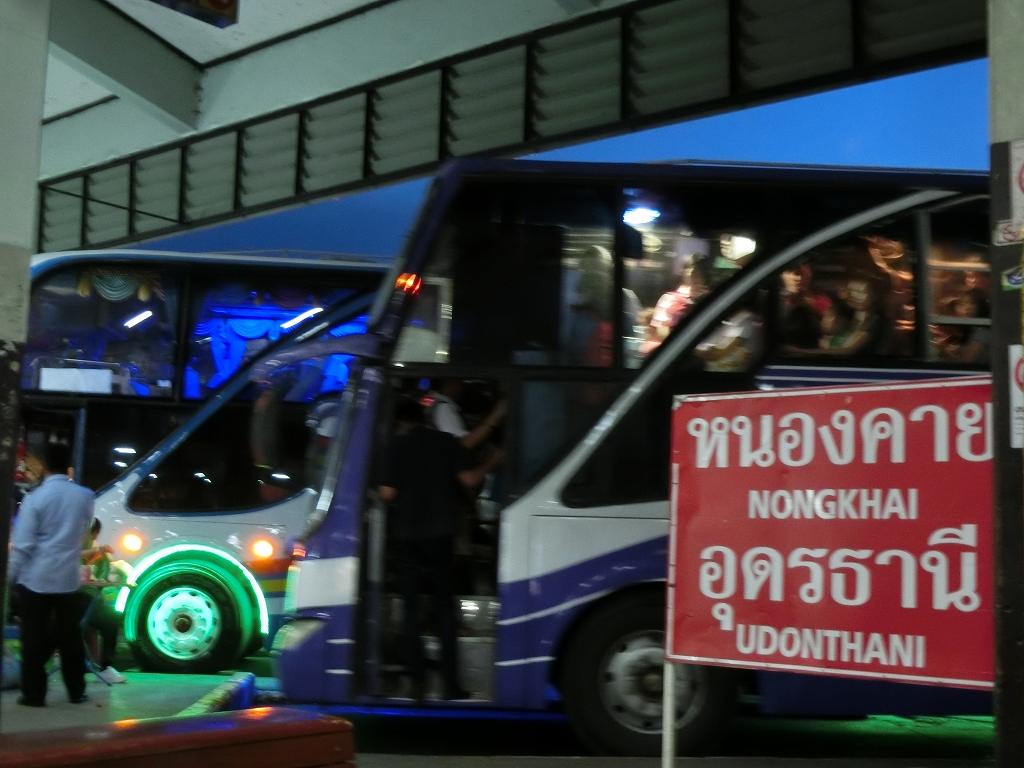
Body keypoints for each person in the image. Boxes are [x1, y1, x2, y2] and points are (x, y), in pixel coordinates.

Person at [378, 397, 491, 701]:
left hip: (407, 536)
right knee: (444, 608)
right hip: (441, 535)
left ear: (400, 422)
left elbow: (387, 492)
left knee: (411, 609)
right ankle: (450, 685)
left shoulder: (396, 446)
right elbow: (469, 479)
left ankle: (416, 683)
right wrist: (493, 462)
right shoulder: (445, 442)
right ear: (424, 419)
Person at [7, 442, 94, 706]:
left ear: (44, 466)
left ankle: (34, 694)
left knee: (33, 637)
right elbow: (84, 531)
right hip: (68, 579)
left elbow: (23, 545)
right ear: (69, 466)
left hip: (36, 579)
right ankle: (76, 691)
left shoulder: (35, 498)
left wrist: (10, 577)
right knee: (70, 637)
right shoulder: (85, 496)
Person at [80, 518, 127, 684]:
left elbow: (94, 576)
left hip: (86, 597)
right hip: (71, 599)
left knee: (109, 616)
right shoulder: (75, 544)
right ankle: (102, 666)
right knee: (106, 616)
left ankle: (104, 667)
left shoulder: (95, 552)